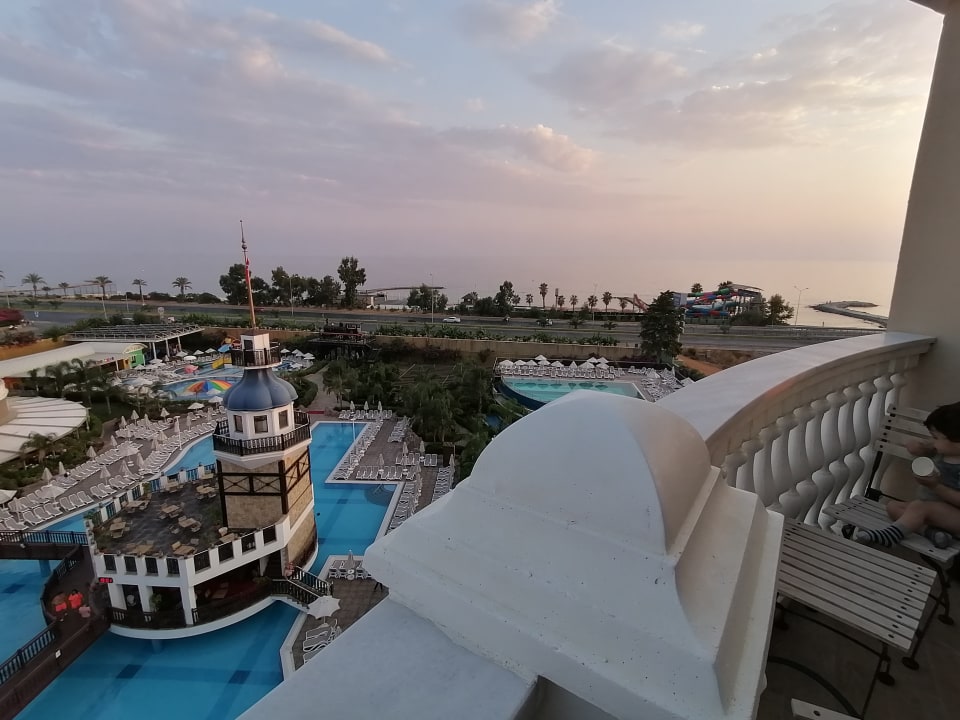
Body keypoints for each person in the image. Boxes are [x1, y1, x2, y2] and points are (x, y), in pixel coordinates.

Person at [857, 402, 960, 548]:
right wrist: (918, 447)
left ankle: (890, 536)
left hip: (955, 517)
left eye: (936, 437)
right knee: (893, 507)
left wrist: (935, 486)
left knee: (920, 507)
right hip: (936, 513)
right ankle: (931, 533)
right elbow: (924, 448)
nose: (933, 441)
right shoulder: (944, 451)